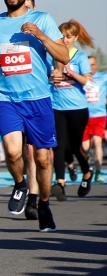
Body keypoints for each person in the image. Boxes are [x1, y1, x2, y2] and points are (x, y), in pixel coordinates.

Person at [0, 0, 69, 232]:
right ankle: (20, 184)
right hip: (6, 99)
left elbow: (64, 55)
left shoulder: (42, 19)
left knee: (42, 159)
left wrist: (41, 35)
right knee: (14, 151)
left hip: (38, 98)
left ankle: (44, 205)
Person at [49, 20, 94, 201]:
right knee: (58, 146)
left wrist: (70, 73)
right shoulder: (51, 55)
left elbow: (90, 85)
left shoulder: (80, 57)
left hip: (77, 108)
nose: (65, 40)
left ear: (75, 38)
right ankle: (60, 183)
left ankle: (86, 172)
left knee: (75, 147)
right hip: (56, 107)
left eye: (69, 37)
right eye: (62, 36)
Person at [20, 0, 40, 220]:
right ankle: (32, 198)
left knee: (42, 156)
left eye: (28, 9)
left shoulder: (44, 29)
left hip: (44, 100)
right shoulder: (12, 34)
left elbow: (61, 57)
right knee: (27, 153)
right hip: (19, 101)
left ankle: (44, 196)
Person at [82, 55, 107, 183]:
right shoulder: (81, 78)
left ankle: (97, 172)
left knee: (97, 142)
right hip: (84, 116)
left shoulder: (103, 77)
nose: (91, 67)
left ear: (96, 65)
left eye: (93, 64)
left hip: (99, 116)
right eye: (88, 65)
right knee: (84, 147)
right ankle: (88, 161)